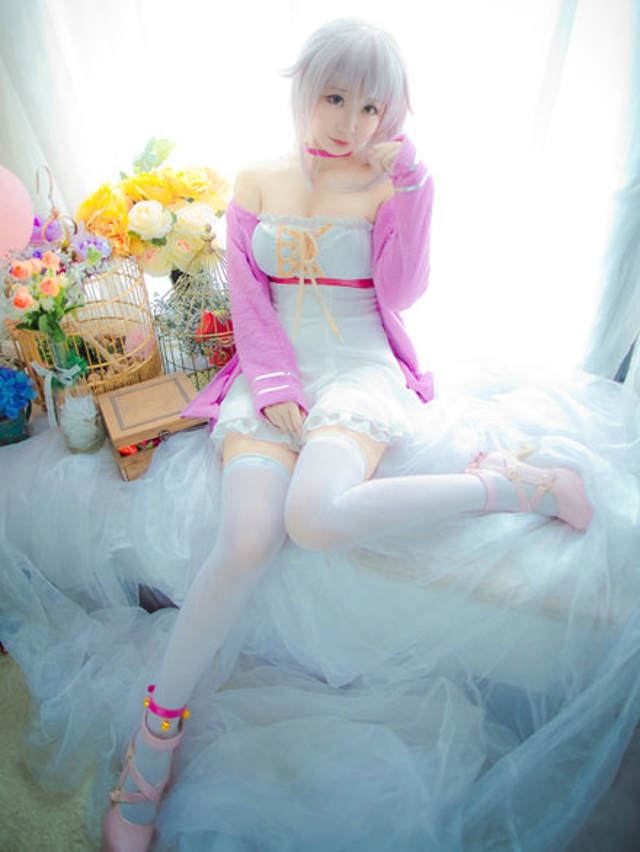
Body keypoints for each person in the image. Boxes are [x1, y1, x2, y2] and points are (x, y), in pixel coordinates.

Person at [101, 18, 593, 852]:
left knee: (315, 517)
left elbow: (400, 293)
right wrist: (277, 388)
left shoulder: (387, 182)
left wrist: (414, 188)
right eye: (334, 98)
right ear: (305, 91)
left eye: (371, 107)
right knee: (245, 539)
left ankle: (510, 485)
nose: (351, 124)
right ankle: (154, 744)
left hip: (359, 369)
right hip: (274, 373)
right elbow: (250, 300)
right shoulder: (257, 177)